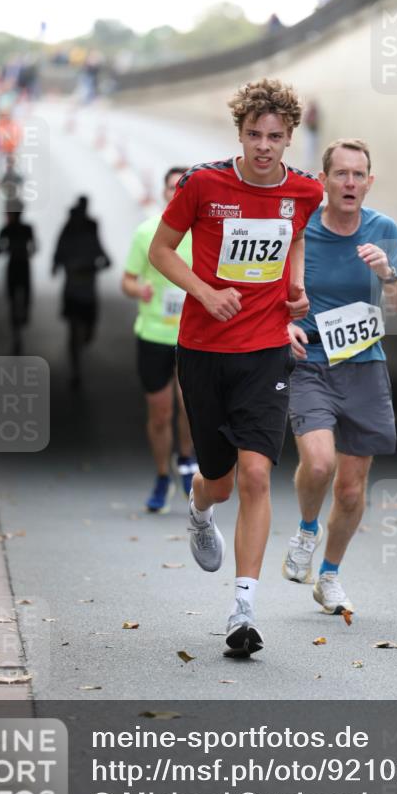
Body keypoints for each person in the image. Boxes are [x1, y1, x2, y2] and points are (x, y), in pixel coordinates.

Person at [149, 78, 322, 656]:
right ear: (240, 134)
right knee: (219, 480)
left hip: (266, 350)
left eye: (275, 137)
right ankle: (198, 509)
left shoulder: (305, 191)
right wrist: (203, 291)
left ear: (290, 137)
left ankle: (242, 608)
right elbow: (161, 251)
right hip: (202, 350)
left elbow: (295, 237)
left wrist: (296, 290)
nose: (264, 146)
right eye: (254, 135)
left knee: (255, 474)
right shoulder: (203, 183)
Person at [283, 138, 397, 614]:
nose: (349, 183)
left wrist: (387, 274)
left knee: (351, 487)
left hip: (363, 363)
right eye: (340, 174)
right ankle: (305, 530)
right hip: (309, 362)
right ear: (323, 181)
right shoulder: (301, 230)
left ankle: (330, 575)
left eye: (358, 175)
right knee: (319, 464)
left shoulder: (383, 230)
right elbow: (268, 290)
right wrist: (284, 326)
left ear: (369, 181)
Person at [122, 167, 198, 514]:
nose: (176, 193)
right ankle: (162, 475)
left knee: (190, 406)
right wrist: (141, 289)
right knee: (159, 413)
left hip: (194, 337)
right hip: (153, 335)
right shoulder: (147, 232)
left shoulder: (205, 233)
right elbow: (127, 280)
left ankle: (186, 461)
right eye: (171, 188)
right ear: (164, 193)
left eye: (183, 188)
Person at [52, 196, 111, 387]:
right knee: (75, 329)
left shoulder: (87, 227)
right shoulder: (71, 228)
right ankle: (75, 369)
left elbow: (100, 250)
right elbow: (60, 249)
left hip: (82, 287)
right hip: (76, 288)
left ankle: (76, 362)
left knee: (83, 330)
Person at [0, 199, 37, 354]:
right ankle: (21, 321)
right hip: (22, 266)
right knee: (20, 298)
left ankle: (18, 327)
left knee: (15, 300)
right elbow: (34, 248)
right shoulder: (25, 229)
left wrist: (7, 248)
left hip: (15, 266)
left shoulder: (7, 229)